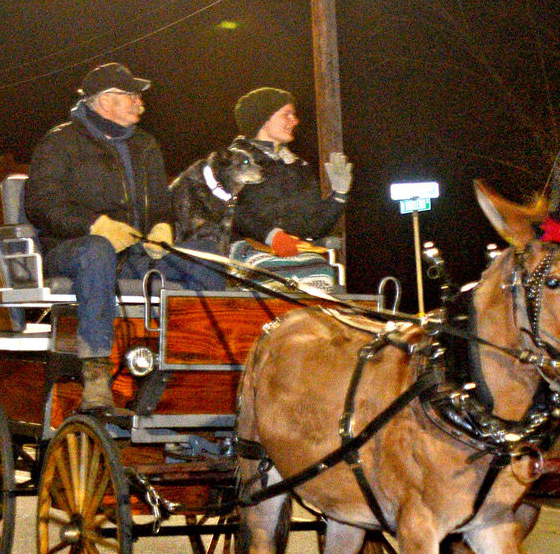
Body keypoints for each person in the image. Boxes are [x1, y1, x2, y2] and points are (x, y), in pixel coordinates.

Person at [24, 62, 224, 413]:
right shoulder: (60, 142)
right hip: (71, 250)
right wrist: (94, 225)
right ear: (104, 101)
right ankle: (96, 372)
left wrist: (163, 226)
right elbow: (40, 204)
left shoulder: (146, 146)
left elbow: (161, 205)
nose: (140, 103)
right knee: (98, 250)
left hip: (134, 251)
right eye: (131, 96)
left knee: (206, 257)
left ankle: (212, 362)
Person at [226, 87, 352, 287]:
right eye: (287, 114)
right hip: (247, 247)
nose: (295, 121)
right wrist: (271, 236)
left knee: (321, 273)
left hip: (292, 252)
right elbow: (231, 210)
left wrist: (339, 196)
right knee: (280, 276)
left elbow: (315, 226)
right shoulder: (233, 161)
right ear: (264, 119)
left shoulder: (298, 167)